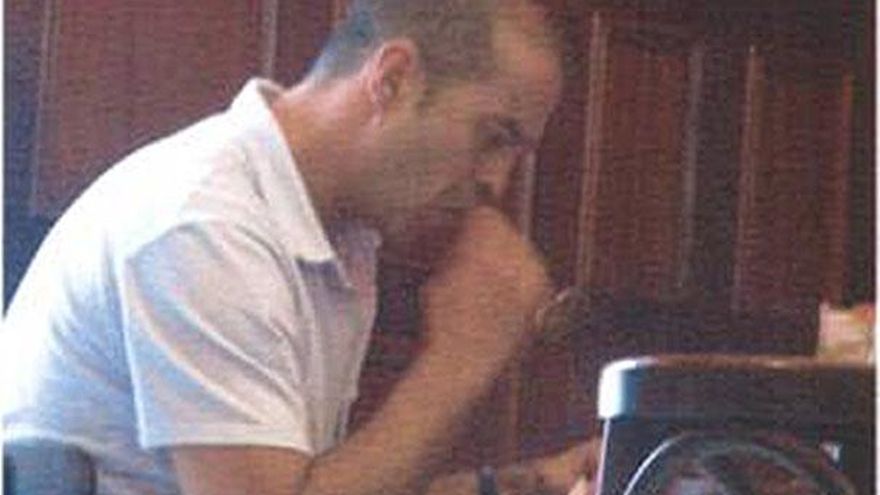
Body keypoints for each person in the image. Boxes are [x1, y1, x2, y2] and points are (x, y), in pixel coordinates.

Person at [3, 0, 598, 493]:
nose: (497, 182)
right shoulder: (208, 225)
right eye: (493, 137)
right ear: (392, 78)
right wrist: (460, 359)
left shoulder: (335, 231)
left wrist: (519, 486)